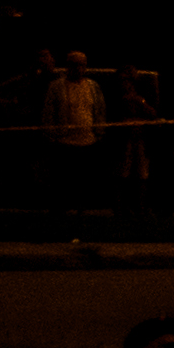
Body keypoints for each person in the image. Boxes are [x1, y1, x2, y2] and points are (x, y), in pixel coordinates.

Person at [46, 47, 110, 254]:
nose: (78, 69)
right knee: (62, 186)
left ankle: (82, 223)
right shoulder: (56, 87)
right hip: (64, 143)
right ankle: (59, 225)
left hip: (87, 142)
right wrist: (52, 135)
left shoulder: (93, 86)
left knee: (83, 186)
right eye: (74, 64)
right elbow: (49, 111)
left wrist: (99, 132)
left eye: (82, 65)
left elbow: (99, 109)